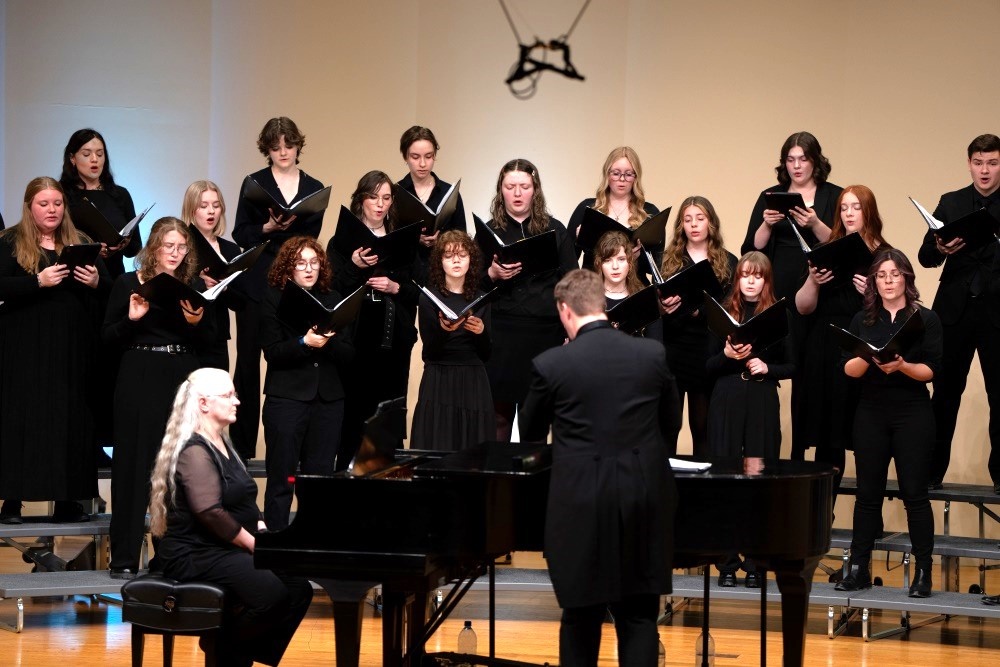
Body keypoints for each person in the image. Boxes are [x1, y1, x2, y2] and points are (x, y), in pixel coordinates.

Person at [519, 269, 680, 667]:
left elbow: (532, 437)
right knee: (640, 616)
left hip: (579, 504)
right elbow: (671, 421)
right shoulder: (650, 355)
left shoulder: (551, 363)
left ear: (564, 310)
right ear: (602, 305)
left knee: (580, 615)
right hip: (642, 499)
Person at [148, 368, 313, 667]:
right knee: (271, 593)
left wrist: (263, 529)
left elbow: (244, 498)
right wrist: (253, 545)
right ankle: (223, 646)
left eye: (234, 394)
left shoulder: (223, 444)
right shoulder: (193, 451)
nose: (237, 401)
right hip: (193, 551)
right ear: (203, 404)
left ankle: (233, 649)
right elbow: (209, 512)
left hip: (221, 546)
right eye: (228, 395)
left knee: (298, 587)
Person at [103, 217, 215, 578]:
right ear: (153, 247)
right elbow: (107, 339)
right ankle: (122, 557)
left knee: (176, 468)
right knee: (134, 466)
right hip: (139, 373)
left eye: (182, 247)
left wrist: (197, 324)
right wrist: (133, 319)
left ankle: (170, 555)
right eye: (169, 246)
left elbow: (210, 344)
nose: (176, 253)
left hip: (181, 375)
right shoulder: (126, 283)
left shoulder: (193, 286)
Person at [0, 177, 109, 524]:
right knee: (23, 418)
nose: (52, 210)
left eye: (57, 204)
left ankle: (67, 500)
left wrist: (96, 282)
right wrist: (37, 281)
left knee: (69, 419)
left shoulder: (81, 242)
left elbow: (109, 289)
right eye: (44, 204)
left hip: (71, 348)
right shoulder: (10, 241)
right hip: (25, 347)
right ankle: (12, 501)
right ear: (30, 206)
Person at [836, 248, 942, 598]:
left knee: (915, 495)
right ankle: (858, 568)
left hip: (912, 413)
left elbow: (931, 371)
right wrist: (868, 355)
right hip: (871, 412)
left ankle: (924, 572)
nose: (888, 281)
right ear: (873, 282)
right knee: (867, 495)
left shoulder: (925, 319)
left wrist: (902, 367)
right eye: (881, 275)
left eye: (895, 274)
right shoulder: (862, 320)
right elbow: (849, 370)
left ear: (906, 278)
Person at [741, 131, 843, 462]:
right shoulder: (771, 195)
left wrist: (814, 223)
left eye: (803, 158)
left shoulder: (833, 195)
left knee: (814, 374)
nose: (797, 165)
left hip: (821, 292)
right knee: (782, 364)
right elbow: (751, 249)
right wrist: (768, 224)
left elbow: (842, 244)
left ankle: (814, 454)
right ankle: (788, 456)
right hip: (780, 289)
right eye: (790, 159)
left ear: (816, 161)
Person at [232, 117, 326, 461]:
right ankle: (241, 448)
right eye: (276, 147)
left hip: (296, 289)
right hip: (256, 285)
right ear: (267, 149)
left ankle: (291, 445)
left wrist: (286, 234)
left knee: (291, 359)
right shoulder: (254, 182)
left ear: (298, 146)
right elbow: (240, 234)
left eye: (289, 145)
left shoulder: (313, 186)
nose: (283, 152)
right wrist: (267, 227)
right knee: (246, 368)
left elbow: (311, 237)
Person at [794, 185, 889, 501]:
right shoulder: (827, 248)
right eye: (844, 208)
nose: (849, 213)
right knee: (828, 434)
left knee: (861, 432)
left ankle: (868, 518)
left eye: (856, 207)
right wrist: (813, 281)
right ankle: (823, 513)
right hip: (825, 342)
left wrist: (871, 294)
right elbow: (802, 307)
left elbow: (899, 309)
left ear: (869, 212)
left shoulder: (884, 255)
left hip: (861, 344)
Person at [706, 251, 794, 587]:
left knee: (760, 480)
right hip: (726, 397)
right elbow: (706, 367)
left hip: (760, 397)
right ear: (737, 280)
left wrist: (768, 368)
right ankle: (727, 563)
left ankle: (757, 563)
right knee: (726, 480)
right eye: (745, 275)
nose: (751, 281)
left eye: (758, 275)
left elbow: (793, 365)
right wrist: (727, 356)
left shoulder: (778, 314)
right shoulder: (723, 314)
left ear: (767, 280)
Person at [919, 134, 1000, 491]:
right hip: (954, 312)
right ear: (969, 164)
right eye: (979, 163)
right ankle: (932, 472)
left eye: (993, 163)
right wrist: (940, 245)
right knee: (945, 393)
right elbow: (925, 256)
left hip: (997, 312)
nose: (985, 170)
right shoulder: (950, 202)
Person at [477, 158, 578, 441]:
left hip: (545, 335)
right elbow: (472, 287)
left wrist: (571, 330)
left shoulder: (556, 230)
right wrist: (492, 273)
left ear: (535, 190)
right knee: (498, 418)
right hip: (501, 334)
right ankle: (497, 483)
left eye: (524, 186)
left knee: (536, 421)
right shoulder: (488, 231)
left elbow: (572, 283)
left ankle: (533, 486)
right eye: (511, 187)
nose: (518, 193)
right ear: (501, 190)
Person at [259, 237, 353, 529]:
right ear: (289, 268)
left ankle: (313, 547)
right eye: (301, 263)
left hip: (328, 401)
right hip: (287, 399)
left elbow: (350, 353)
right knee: (282, 478)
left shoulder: (334, 298)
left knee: (319, 481)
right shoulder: (273, 297)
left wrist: (325, 343)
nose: (309, 269)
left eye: (314, 262)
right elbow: (272, 352)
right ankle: (276, 548)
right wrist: (304, 342)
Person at [327, 170, 419, 467]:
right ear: (361, 200)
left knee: (386, 418)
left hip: (391, 341)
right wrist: (354, 266)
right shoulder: (341, 242)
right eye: (373, 197)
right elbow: (331, 290)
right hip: (355, 340)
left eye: (386, 198)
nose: (380, 204)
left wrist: (396, 287)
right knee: (352, 418)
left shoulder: (403, 240)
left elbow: (417, 290)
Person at [658, 196, 737, 457]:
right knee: (669, 425)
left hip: (707, 349)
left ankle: (702, 490)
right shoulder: (668, 260)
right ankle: (666, 490)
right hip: (674, 346)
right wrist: (665, 307)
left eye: (700, 219)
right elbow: (657, 304)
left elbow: (729, 307)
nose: (694, 225)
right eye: (688, 219)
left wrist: (698, 310)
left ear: (710, 223)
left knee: (702, 427)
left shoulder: (728, 261)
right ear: (681, 225)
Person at [411, 230, 494, 451]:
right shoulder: (429, 297)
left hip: (473, 379)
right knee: (438, 442)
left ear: (471, 260)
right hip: (439, 377)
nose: (456, 260)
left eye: (462, 255)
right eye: (448, 256)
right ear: (440, 262)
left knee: (472, 449)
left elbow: (486, 354)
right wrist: (444, 330)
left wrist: (481, 332)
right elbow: (430, 351)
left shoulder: (481, 297)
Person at [59, 128, 140, 280]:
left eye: (100, 154)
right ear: (72, 158)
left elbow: (135, 249)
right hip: (72, 278)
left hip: (112, 278)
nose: (94, 159)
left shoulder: (120, 194)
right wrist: (92, 249)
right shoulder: (61, 194)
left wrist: (123, 244)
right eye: (86, 154)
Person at [182, 180, 245, 371]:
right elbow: (173, 286)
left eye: (216, 206)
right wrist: (200, 284)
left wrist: (224, 287)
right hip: (186, 333)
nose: (211, 211)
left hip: (217, 335)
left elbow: (241, 302)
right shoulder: (181, 246)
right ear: (192, 210)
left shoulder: (230, 249)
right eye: (204, 206)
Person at [567, 146, 661, 270]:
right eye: (616, 173)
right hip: (594, 285)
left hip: (633, 287)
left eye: (628, 174)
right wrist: (579, 241)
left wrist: (639, 257)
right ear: (607, 174)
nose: (622, 179)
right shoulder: (587, 208)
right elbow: (567, 260)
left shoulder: (649, 213)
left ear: (636, 177)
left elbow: (657, 267)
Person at [396, 126, 468, 283]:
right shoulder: (396, 193)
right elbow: (389, 238)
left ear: (435, 156)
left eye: (428, 156)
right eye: (415, 157)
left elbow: (462, 238)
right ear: (405, 157)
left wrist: (441, 240)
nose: (422, 163)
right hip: (404, 278)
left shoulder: (449, 193)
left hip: (442, 277)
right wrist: (414, 238)